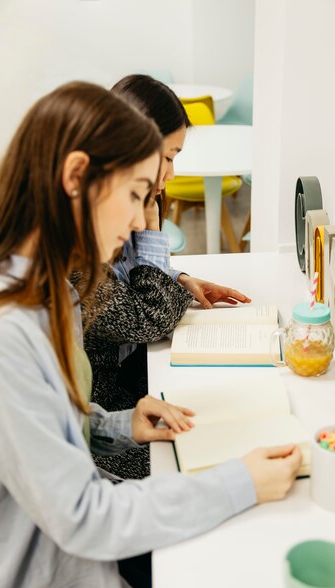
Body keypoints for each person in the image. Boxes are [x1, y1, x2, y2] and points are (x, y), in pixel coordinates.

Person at [0, 81, 301, 588]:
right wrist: (240, 482)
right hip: (37, 575)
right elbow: (84, 517)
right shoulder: (6, 331)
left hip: (61, 535)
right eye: (136, 194)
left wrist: (115, 424)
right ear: (76, 177)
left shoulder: (53, 290)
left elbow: (41, 425)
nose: (140, 221)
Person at [80, 74, 251, 479]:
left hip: (127, 389)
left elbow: (138, 284)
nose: (172, 173)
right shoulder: (80, 247)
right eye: (168, 156)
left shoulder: (125, 203)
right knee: (200, 457)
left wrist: (181, 278)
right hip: (108, 405)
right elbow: (148, 318)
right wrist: (154, 228)